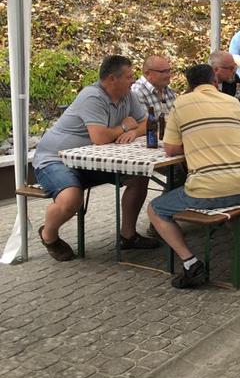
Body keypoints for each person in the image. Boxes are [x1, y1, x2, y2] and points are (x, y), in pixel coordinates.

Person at [32, 55, 158, 262]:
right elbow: (99, 138)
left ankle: (128, 236)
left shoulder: (128, 94)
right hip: (56, 159)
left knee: (139, 176)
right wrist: (125, 126)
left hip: (92, 160)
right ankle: (49, 235)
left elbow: (146, 122)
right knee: (70, 199)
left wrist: (134, 131)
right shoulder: (92, 96)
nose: (133, 80)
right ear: (112, 79)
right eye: (129, 76)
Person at [147, 64, 240, 288]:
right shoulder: (233, 102)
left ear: (190, 86)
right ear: (215, 82)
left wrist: (192, 141)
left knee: (155, 209)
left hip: (209, 190)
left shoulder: (181, 104)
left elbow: (170, 149)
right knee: (225, 198)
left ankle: (191, 264)